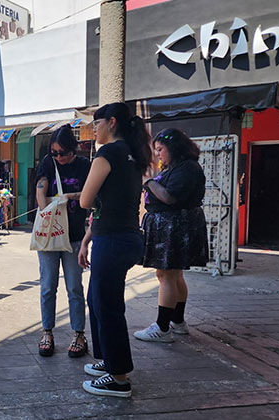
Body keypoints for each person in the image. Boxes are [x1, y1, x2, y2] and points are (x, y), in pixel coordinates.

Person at [78, 102, 152, 398]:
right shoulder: (133, 155)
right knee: (97, 299)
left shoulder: (107, 154)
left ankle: (119, 378)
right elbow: (113, 201)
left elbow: (86, 200)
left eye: (96, 123)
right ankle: (110, 361)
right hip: (126, 237)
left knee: (107, 306)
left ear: (111, 122)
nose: (93, 129)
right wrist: (87, 239)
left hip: (113, 241)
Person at [134, 129, 208, 343]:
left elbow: (169, 197)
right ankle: (178, 321)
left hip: (175, 226)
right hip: (175, 226)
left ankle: (162, 327)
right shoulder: (180, 167)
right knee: (174, 275)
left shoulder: (186, 169)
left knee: (167, 275)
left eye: (160, 150)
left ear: (173, 148)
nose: (157, 154)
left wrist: (147, 181)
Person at [34, 125, 91, 358]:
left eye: (63, 153)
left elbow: (91, 195)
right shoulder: (48, 162)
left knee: (74, 288)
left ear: (73, 149)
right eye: (55, 152)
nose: (59, 157)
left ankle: (79, 333)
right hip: (49, 235)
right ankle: (47, 331)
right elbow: (40, 194)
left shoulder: (85, 166)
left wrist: (70, 197)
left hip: (75, 235)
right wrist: (50, 206)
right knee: (48, 286)